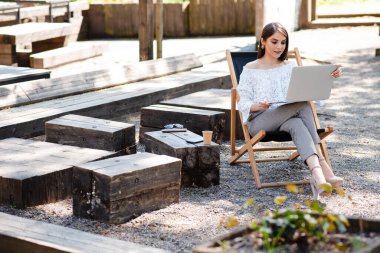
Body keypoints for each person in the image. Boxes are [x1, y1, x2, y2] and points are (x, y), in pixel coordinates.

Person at [237, 22, 343, 200]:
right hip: (259, 120)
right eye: (274, 41)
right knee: (303, 104)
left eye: (283, 42)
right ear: (262, 41)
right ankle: (326, 168)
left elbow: (308, 89)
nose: (279, 47)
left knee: (298, 121)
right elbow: (242, 103)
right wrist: (257, 105)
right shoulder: (250, 69)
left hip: (287, 118)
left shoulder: (289, 67)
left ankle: (317, 177)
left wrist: (330, 74)